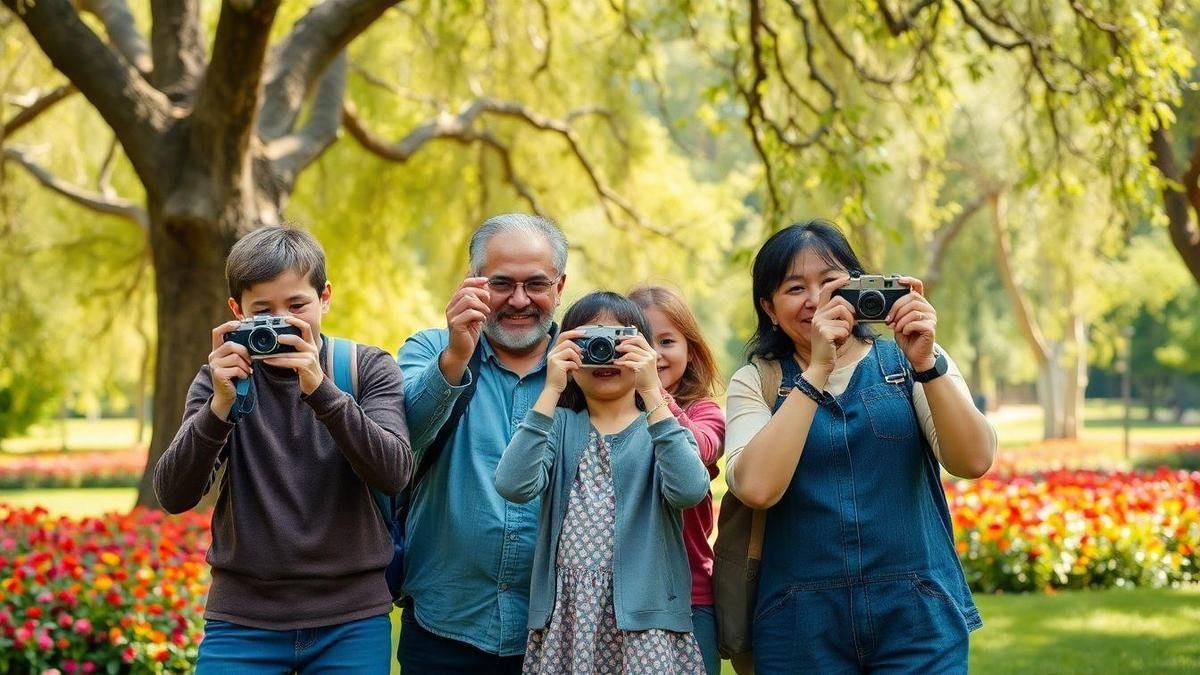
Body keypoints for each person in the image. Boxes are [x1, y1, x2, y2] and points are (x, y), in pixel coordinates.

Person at [725, 220, 997, 673]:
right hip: (800, 628)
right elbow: (755, 488)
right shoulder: (757, 382)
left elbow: (973, 459)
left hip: (919, 619)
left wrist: (927, 363)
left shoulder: (910, 362)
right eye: (795, 288)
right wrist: (815, 371)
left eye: (831, 282)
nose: (815, 300)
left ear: (857, 284)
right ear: (769, 308)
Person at [154, 225, 412, 674]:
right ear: (236, 311)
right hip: (242, 619)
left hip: (350, 617)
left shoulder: (366, 367)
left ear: (325, 297)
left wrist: (322, 391)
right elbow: (174, 495)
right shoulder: (219, 381)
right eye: (262, 311)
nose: (281, 322)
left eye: (297, 306)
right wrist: (218, 407)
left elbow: (394, 472)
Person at [495, 291, 710, 674]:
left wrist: (651, 391)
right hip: (568, 622)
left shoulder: (662, 429)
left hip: (647, 626)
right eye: (589, 342)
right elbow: (514, 484)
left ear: (643, 353)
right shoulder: (557, 425)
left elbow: (690, 489)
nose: (604, 353)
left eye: (618, 342)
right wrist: (550, 389)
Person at [396, 213, 568, 673]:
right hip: (441, 625)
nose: (518, 300)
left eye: (536, 284)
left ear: (560, 286)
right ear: (472, 283)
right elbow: (398, 443)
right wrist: (454, 356)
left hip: (554, 631)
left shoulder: (584, 371)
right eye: (500, 284)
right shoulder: (428, 349)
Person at [629, 285, 726, 675]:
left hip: (689, 594)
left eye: (666, 341)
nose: (654, 354)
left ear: (691, 349)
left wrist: (653, 393)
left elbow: (701, 449)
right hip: (626, 591)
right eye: (640, 342)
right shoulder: (609, 413)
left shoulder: (705, 411)